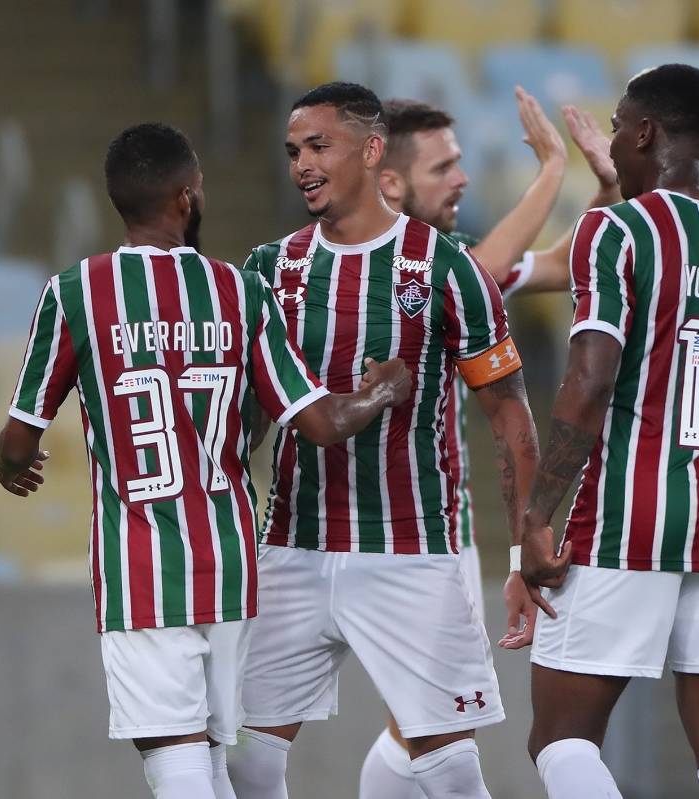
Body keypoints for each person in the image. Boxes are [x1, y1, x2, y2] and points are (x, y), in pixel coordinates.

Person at [0, 122, 410, 799]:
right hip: (230, 563)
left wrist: (13, 468)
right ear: (186, 196)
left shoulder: (77, 291)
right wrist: (382, 390)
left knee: (175, 756)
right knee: (211, 756)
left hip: (141, 565)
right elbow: (320, 423)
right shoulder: (240, 291)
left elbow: (18, 442)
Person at [225, 82, 541, 799]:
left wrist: (524, 551)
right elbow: (249, 417)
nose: (303, 164)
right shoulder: (269, 269)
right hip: (292, 547)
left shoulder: (445, 267)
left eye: (319, 145)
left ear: (372, 151)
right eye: (293, 151)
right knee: (245, 758)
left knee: (448, 768)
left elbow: (511, 419)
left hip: (409, 553)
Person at [514, 63, 699, 799]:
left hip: (627, 513)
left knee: (561, 738)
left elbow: (590, 381)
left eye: (618, 127)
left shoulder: (614, 229)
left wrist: (537, 515)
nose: (613, 143)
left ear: (645, 132)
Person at [356, 90, 622, 799]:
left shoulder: (447, 267)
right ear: (390, 181)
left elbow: (562, 264)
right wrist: (552, 170)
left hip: (431, 531)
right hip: (390, 538)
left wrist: (605, 191)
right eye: (443, 167)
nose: (462, 179)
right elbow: (484, 269)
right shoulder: (377, 270)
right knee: (441, 731)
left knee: (421, 728)